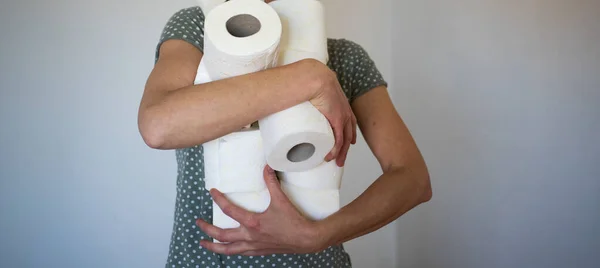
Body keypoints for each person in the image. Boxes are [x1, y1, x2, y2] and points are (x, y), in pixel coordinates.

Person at [138, 1, 432, 267]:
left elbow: (413, 179)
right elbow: (157, 125)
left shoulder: (346, 58)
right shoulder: (203, 28)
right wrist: (311, 78)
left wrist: (317, 236)